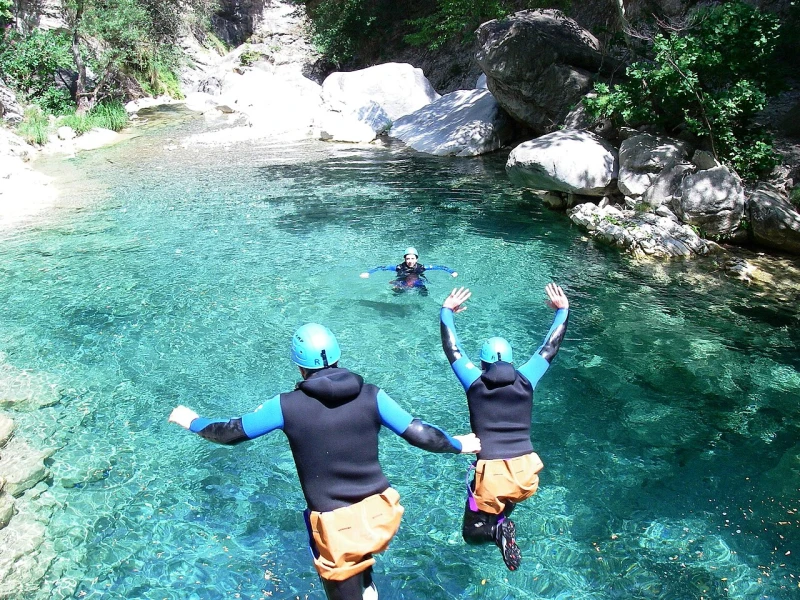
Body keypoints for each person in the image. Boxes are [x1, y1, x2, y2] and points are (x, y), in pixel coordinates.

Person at [169, 323, 480, 600]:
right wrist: (457, 444)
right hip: (382, 514)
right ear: (337, 357)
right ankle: (368, 584)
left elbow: (231, 432)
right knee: (360, 560)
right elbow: (420, 433)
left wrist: (193, 421)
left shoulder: (286, 406)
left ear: (300, 368)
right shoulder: (372, 394)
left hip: (337, 527)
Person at [439, 283, 569, 571]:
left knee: (472, 532)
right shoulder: (527, 378)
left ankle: (496, 532)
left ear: (483, 363)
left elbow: (453, 349)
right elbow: (550, 347)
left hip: (491, 474)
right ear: (510, 359)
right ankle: (501, 527)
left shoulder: (474, 381)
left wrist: (446, 311)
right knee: (501, 508)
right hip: (525, 472)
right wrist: (563, 311)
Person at [360, 247, 457, 295]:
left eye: (412, 258)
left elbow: (440, 267)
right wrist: (368, 273)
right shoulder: (399, 267)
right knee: (396, 293)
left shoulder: (421, 267)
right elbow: (381, 267)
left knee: (424, 293)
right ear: (405, 259)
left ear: (416, 259)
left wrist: (452, 271)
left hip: (417, 281)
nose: (410, 261)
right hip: (402, 281)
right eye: (408, 258)